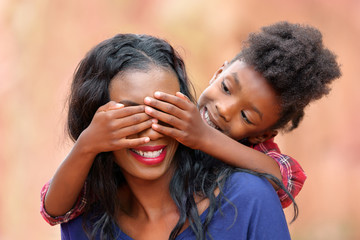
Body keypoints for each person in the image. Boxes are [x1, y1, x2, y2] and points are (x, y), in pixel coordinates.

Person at [44, 33, 291, 239]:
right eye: (131, 116)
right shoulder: (85, 219)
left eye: (164, 112)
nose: (151, 131)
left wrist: (203, 136)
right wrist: (86, 145)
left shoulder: (249, 199)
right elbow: (52, 209)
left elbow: (281, 178)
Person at [143, 21, 340, 206]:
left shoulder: (257, 154)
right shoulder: (178, 113)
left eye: (246, 116)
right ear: (218, 73)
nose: (224, 110)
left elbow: (286, 180)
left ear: (262, 135)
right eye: (227, 88)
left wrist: (203, 136)